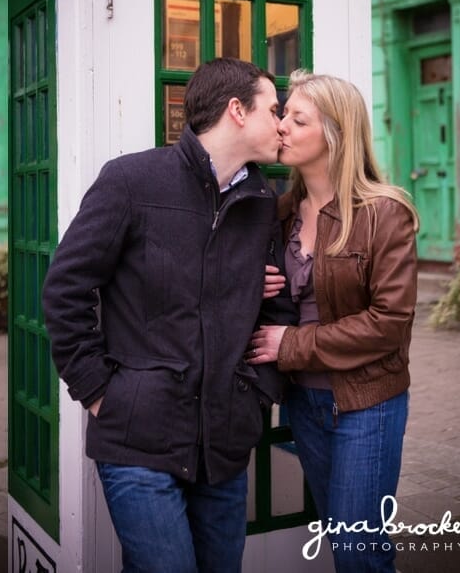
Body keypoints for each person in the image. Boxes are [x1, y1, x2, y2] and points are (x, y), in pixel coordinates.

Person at [41, 57, 295, 573]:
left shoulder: (261, 202)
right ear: (237, 110)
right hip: (138, 439)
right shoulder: (131, 180)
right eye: (274, 110)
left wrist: (257, 395)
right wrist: (98, 392)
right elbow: (66, 288)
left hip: (224, 445)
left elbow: (278, 304)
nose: (283, 124)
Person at [248, 72, 418, 572]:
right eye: (283, 115)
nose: (281, 126)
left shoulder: (384, 212)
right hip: (303, 403)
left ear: (335, 134)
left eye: (297, 119)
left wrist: (292, 345)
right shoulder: (281, 212)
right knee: (342, 545)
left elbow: (389, 323)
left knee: (358, 553)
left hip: (366, 402)